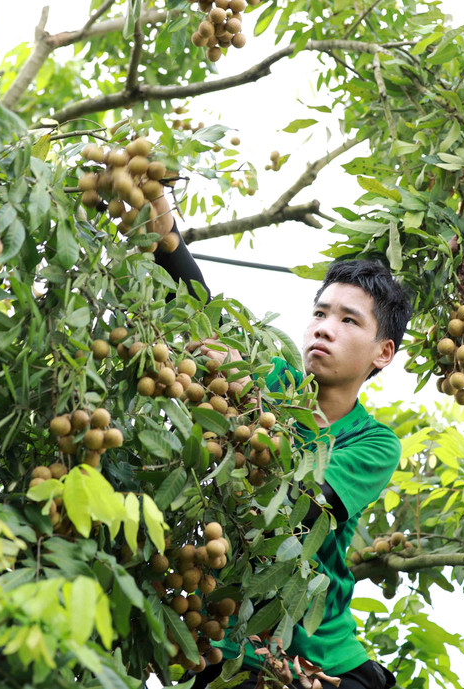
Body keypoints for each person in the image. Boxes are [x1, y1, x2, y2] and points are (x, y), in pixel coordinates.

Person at [148, 196, 412, 689]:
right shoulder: (271, 381)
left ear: (383, 353)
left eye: (349, 320)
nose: (325, 328)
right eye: (320, 313)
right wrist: (164, 229)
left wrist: (244, 392)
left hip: (325, 655)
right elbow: (200, 316)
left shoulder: (374, 443)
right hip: (225, 646)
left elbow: (302, 510)